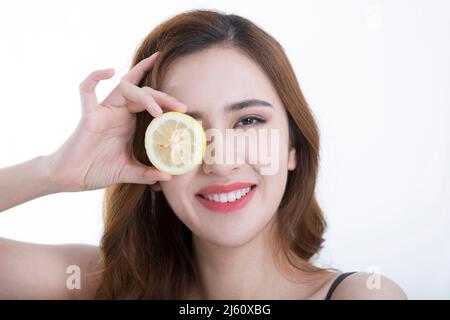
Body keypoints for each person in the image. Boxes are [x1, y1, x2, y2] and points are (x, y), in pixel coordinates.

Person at [0, 9, 407, 299]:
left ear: (293, 148)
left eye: (248, 121)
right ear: (152, 161)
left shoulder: (361, 295)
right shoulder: (99, 283)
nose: (219, 160)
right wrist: (55, 171)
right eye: (186, 131)